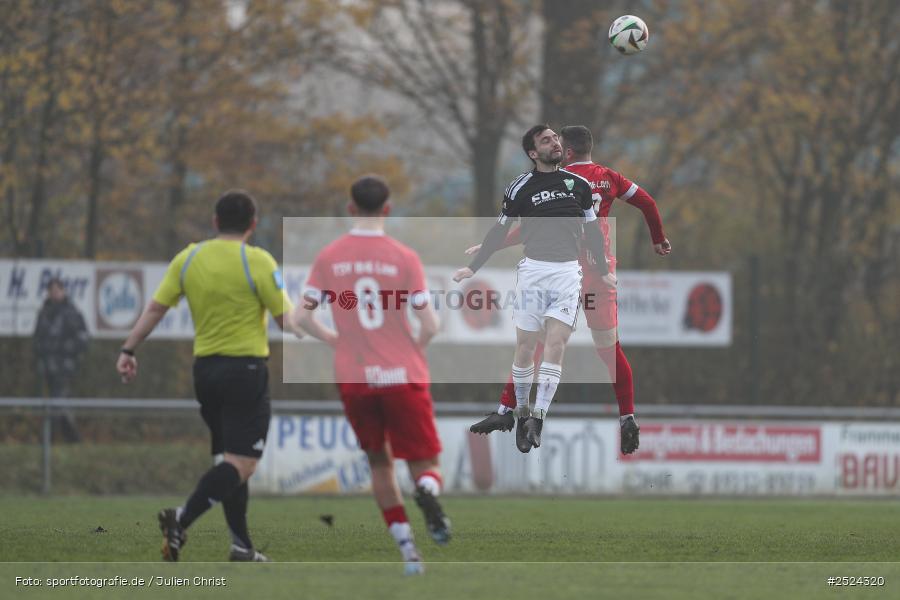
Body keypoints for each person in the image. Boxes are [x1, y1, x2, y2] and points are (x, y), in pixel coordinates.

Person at [467, 124, 671, 455]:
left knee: (533, 343)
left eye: (556, 142)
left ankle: (507, 411)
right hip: (600, 275)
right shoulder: (608, 177)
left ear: (568, 151)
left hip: (563, 271)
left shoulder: (555, 182)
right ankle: (628, 417)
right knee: (609, 351)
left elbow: (533, 228)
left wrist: (490, 246)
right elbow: (647, 202)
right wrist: (658, 238)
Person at [116, 190, 295, 562]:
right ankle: (181, 519)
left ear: (215, 222)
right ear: (253, 225)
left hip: (206, 372)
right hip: (245, 370)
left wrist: (128, 349)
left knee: (227, 462)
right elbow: (286, 320)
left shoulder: (189, 257)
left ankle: (242, 546)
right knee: (242, 463)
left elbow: (156, 308)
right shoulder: (258, 261)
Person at [292, 175, 446, 575]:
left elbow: (300, 317)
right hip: (402, 373)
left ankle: (409, 552)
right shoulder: (404, 257)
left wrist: (333, 339)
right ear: (388, 209)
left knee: (379, 463)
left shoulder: (330, 257)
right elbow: (430, 323)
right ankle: (427, 493)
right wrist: (415, 347)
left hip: (355, 376)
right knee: (424, 462)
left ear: (350, 209)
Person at [454, 125, 609, 454]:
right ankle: (519, 413)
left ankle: (537, 418)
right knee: (525, 348)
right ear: (533, 153)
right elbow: (500, 231)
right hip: (533, 272)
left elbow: (593, 231)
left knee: (556, 345)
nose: (555, 143)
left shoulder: (578, 185)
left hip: (568, 273)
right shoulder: (520, 188)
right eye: (546, 141)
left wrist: (605, 270)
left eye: (555, 138)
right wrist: (474, 267)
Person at [33, 277, 89, 442]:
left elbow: (83, 339)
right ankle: (70, 439)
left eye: (57, 290)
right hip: (48, 367)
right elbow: (37, 339)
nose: (54, 294)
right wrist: (43, 352)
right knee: (59, 402)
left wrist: (65, 350)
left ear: (63, 291)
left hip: (65, 367)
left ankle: (49, 439)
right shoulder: (44, 314)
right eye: (51, 291)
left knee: (58, 400)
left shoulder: (72, 313)